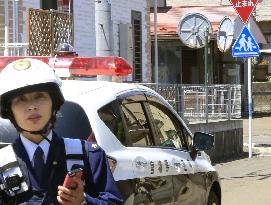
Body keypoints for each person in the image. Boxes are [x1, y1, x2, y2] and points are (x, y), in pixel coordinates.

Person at [0, 58, 123, 204]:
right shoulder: (2, 162)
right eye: (21, 99)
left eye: (40, 96)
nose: (31, 106)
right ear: (9, 111)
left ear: (54, 103)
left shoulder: (89, 155)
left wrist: (84, 201)